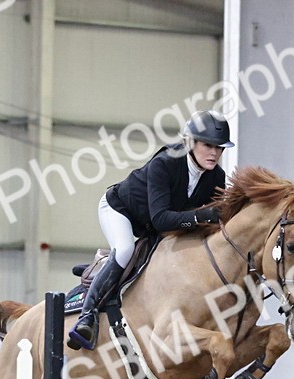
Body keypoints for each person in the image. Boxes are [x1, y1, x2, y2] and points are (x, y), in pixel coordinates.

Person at [67, 109, 233, 351]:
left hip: (153, 225)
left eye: (219, 147)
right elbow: (161, 220)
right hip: (120, 210)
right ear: (190, 142)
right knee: (124, 250)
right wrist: (200, 216)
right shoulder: (165, 163)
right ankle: (87, 316)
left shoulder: (216, 176)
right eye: (208, 145)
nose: (214, 153)